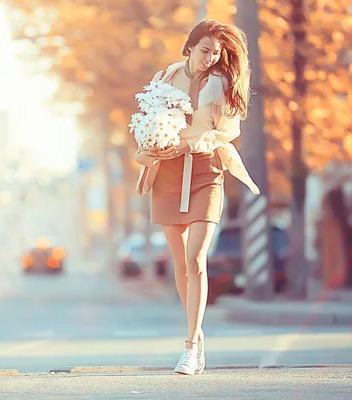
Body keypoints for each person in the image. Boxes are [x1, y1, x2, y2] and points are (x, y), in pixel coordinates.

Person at [134, 19, 260, 375]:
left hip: (206, 170)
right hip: (168, 174)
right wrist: (147, 149)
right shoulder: (164, 78)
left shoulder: (223, 86)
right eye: (205, 50)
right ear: (189, 48)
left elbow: (225, 134)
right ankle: (198, 332)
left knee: (196, 259)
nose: (210, 58)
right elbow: (147, 122)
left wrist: (185, 144)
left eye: (217, 53)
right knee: (179, 263)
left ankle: (190, 348)